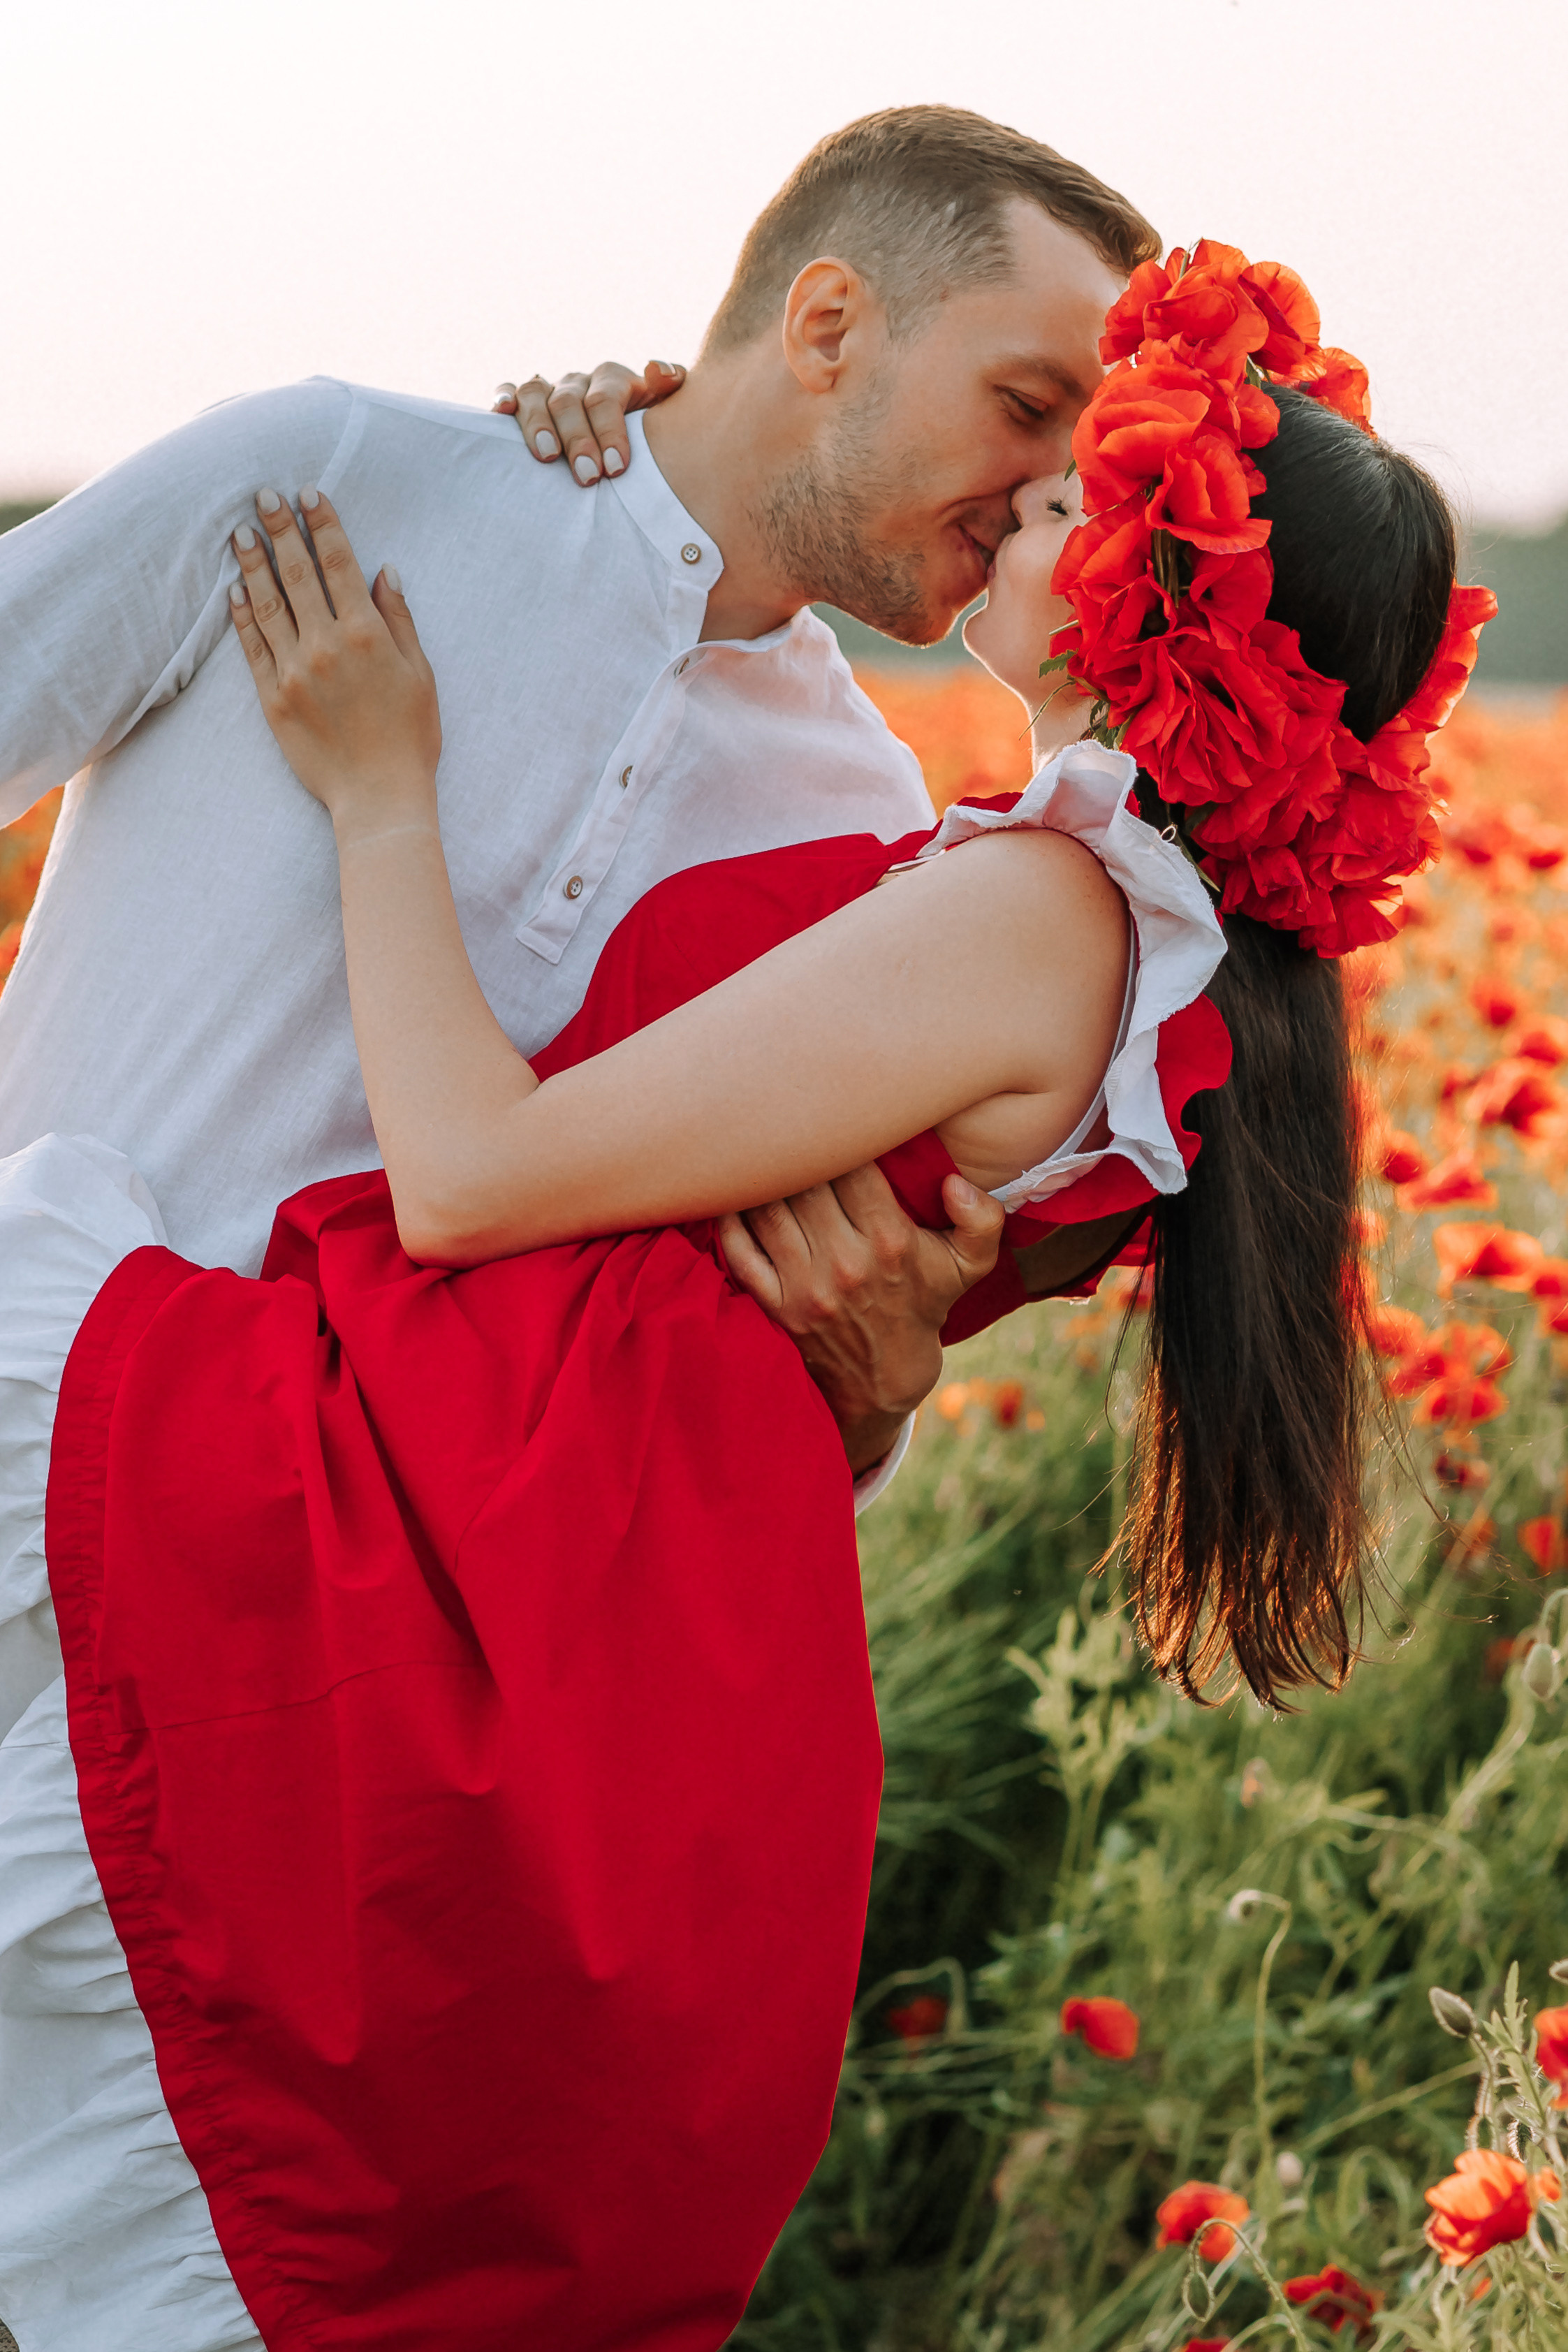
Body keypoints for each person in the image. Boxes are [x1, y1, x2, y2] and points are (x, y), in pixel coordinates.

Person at [0, 245, 1490, 2351]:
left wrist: (379, 784)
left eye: (1079, 502)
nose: (1026, 498)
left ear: (1147, 627)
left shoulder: (1038, 919)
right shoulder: (1105, 944)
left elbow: (470, 1176)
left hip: (459, 1542)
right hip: (604, 1606)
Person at [0, 106, 1156, 1572]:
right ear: (824, 324)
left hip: (315, 1661)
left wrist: (871, 1404)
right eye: (1026, 401)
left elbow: (702, 1337)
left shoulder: (865, 826)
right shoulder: (334, 481)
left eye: (1091, 447)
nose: (1058, 488)